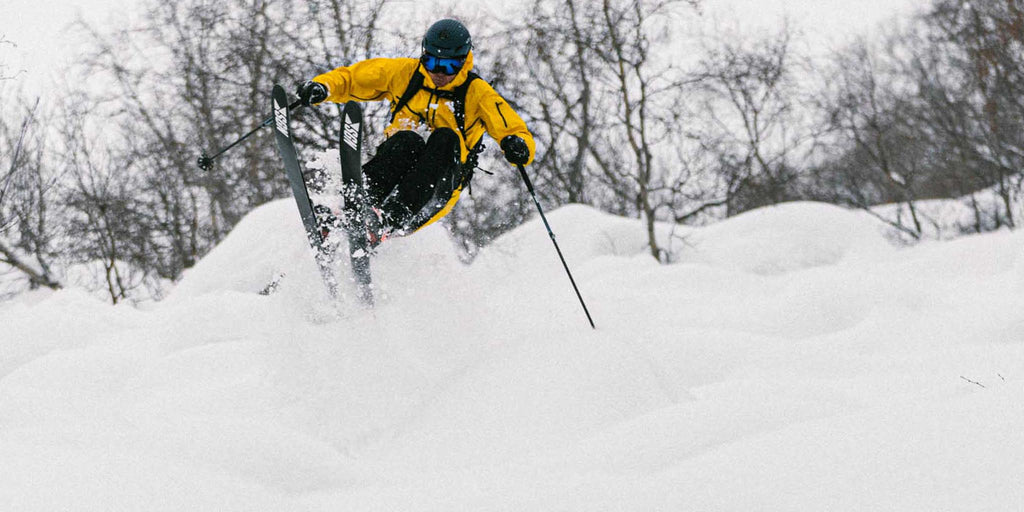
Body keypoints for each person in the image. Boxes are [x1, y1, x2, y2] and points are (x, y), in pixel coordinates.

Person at [296, 18, 535, 243]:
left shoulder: (477, 93)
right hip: (395, 169)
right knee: (407, 140)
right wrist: (323, 87)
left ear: (464, 61)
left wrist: (518, 145)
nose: (439, 73)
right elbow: (354, 78)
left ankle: (387, 220)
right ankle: (353, 205)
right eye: (432, 62)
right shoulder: (404, 74)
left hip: (433, 193)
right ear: (424, 55)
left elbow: (513, 128)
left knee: (445, 138)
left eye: (449, 66)